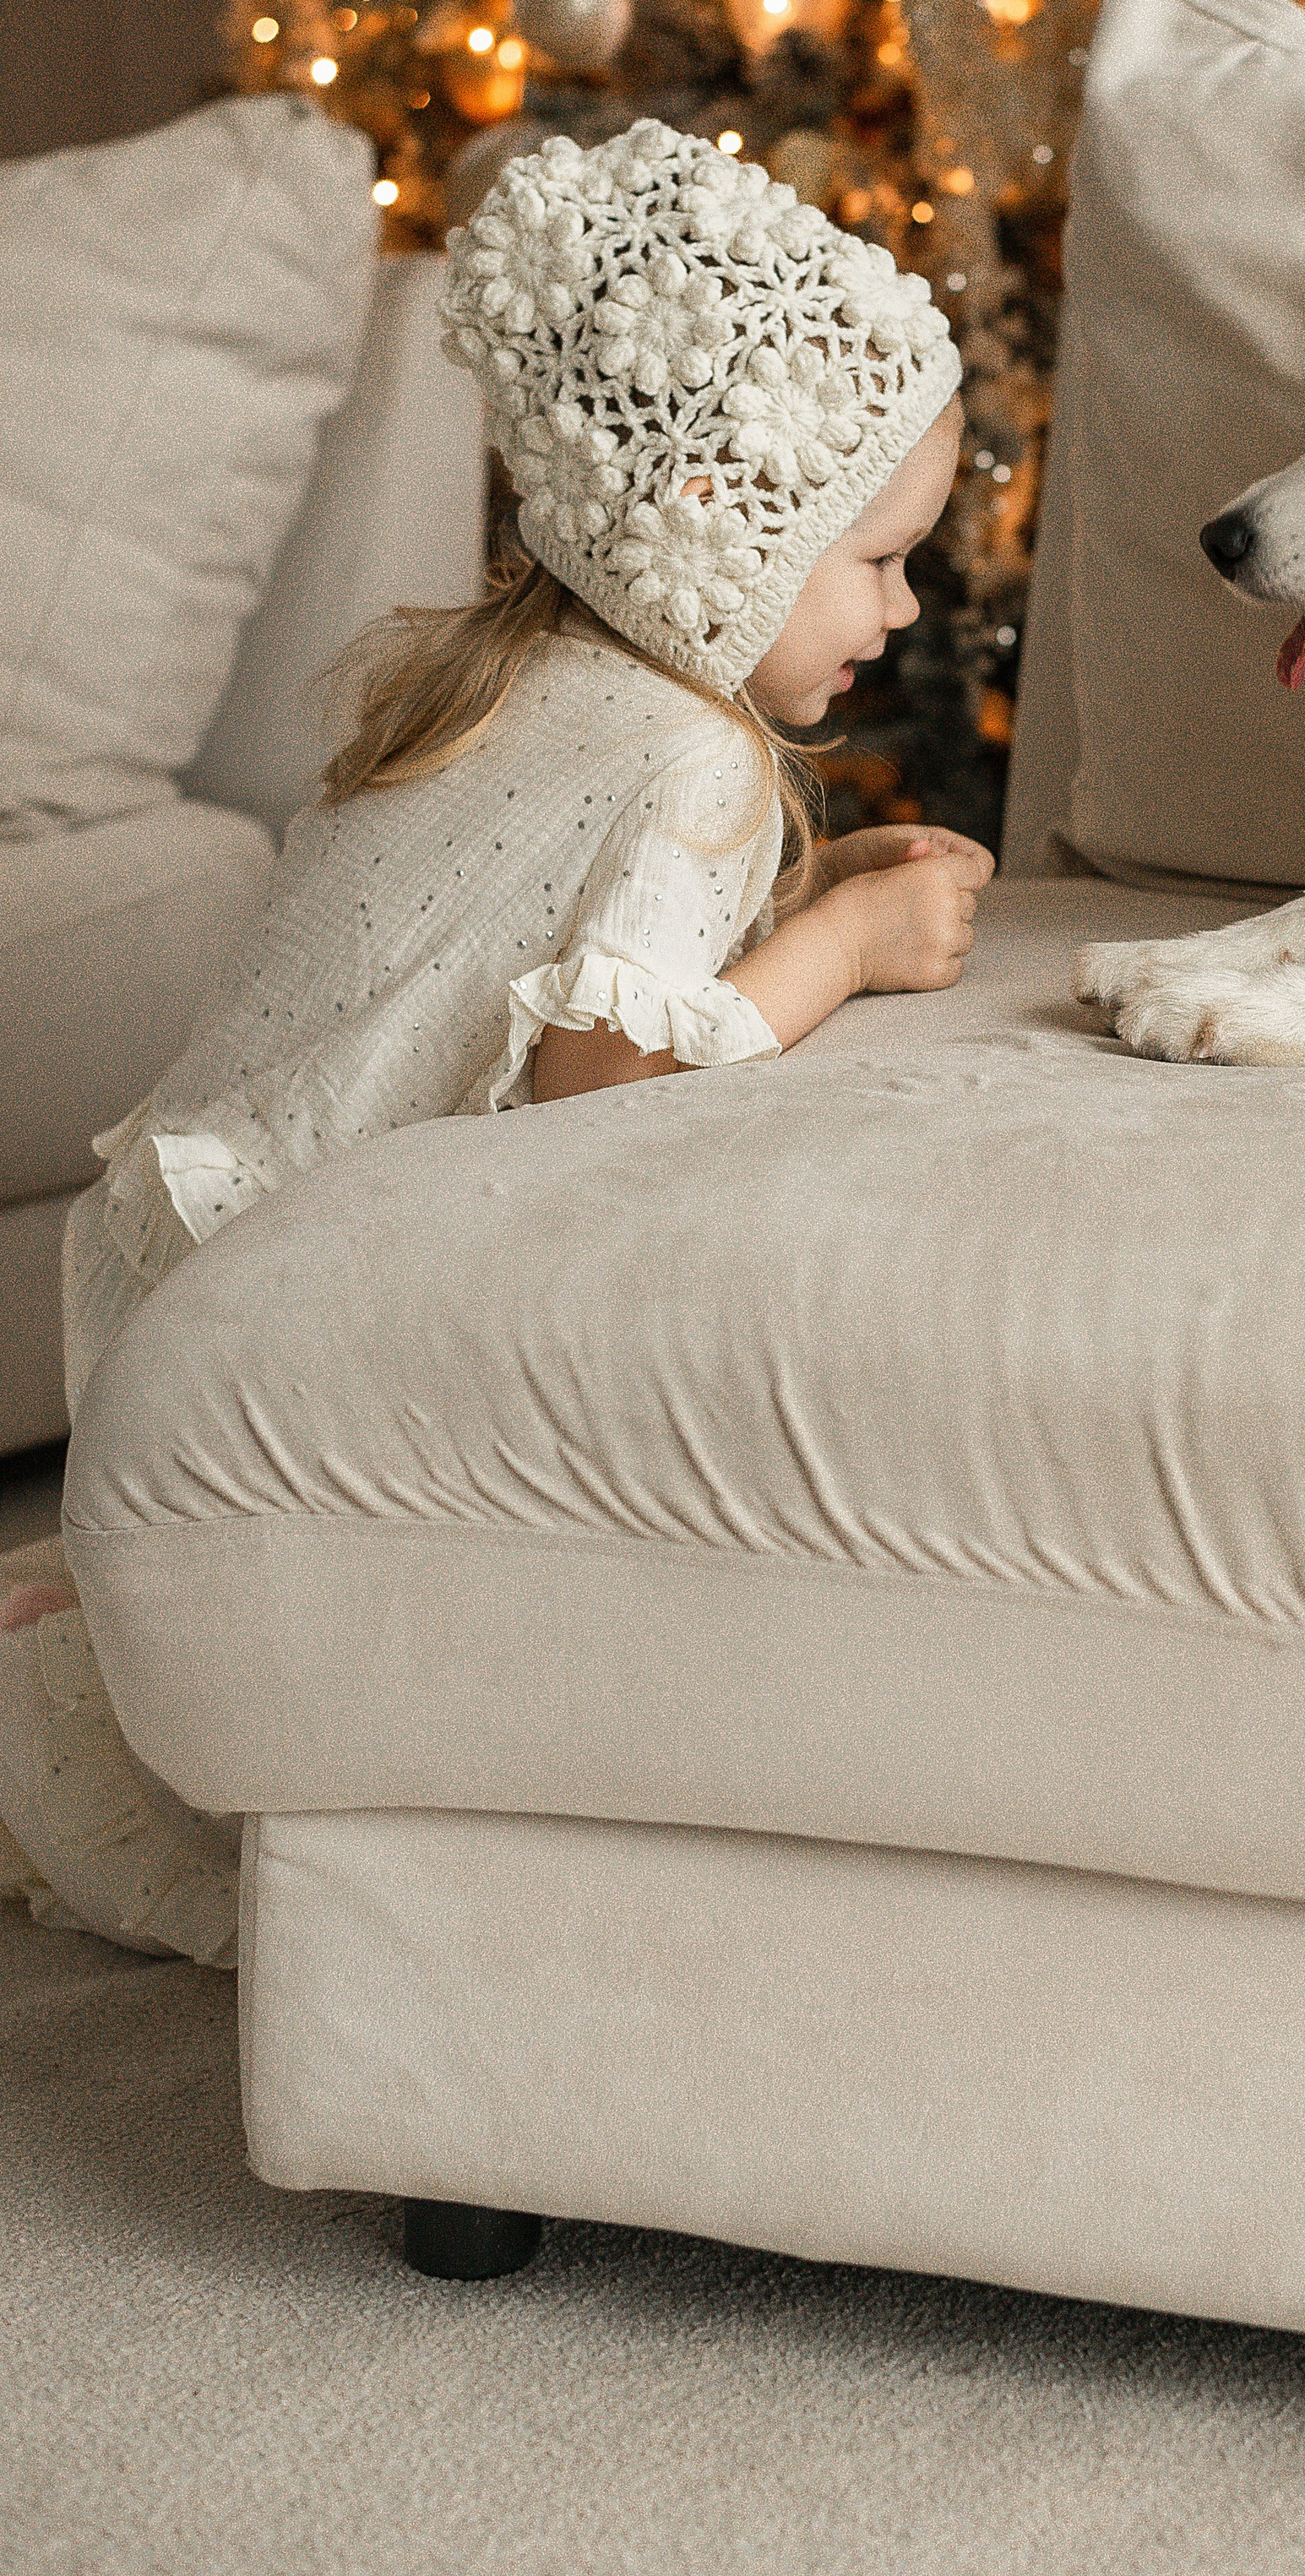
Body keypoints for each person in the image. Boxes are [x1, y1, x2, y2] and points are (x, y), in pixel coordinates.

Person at [0, 120, 992, 1960]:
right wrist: (838, 946)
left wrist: (778, 915)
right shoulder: (688, 757)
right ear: (722, 519)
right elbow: (605, 1093)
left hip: (175, 1266)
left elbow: (525, 979)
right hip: (270, 1347)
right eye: (880, 558)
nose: (906, 609)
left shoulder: (518, 680)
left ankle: (88, 1603)